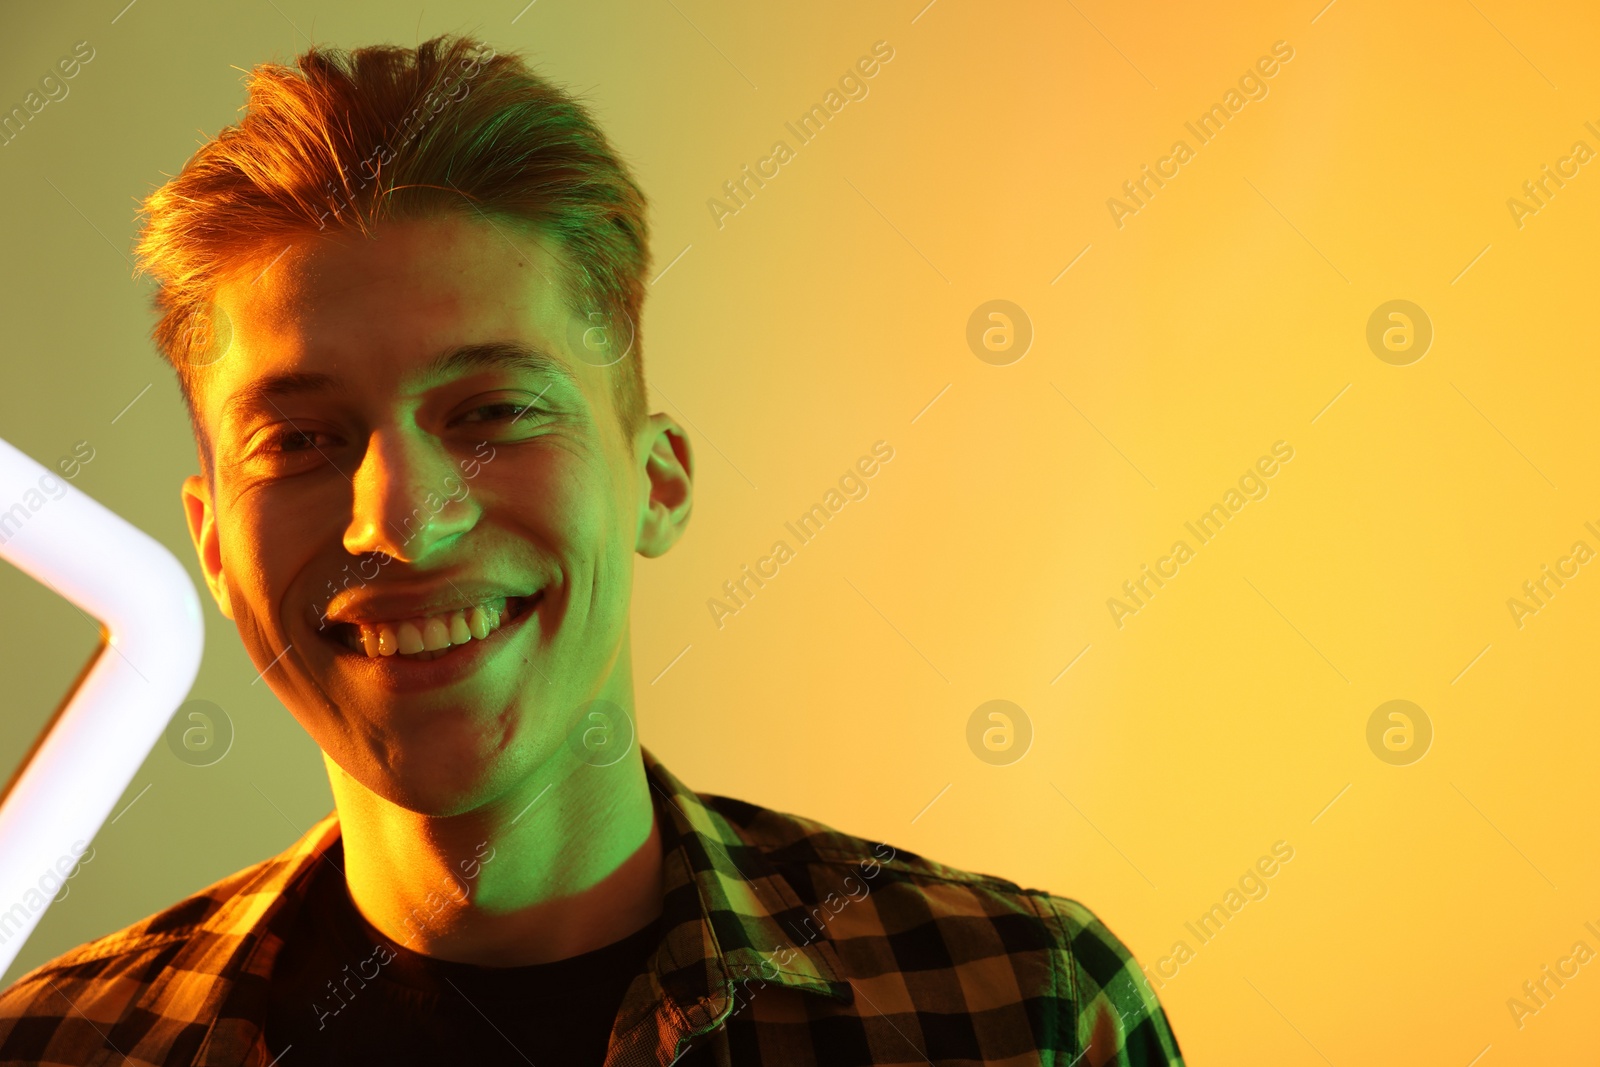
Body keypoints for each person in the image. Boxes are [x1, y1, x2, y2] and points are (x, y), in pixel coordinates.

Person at [0, 34, 1184, 1066]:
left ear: (656, 483)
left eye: (491, 414)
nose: (398, 523)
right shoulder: (55, 1045)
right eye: (301, 439)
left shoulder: (1014, 1011)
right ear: (210, 542)